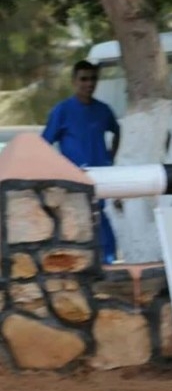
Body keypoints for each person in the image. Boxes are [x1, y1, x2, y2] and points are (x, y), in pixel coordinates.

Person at [43, 60, 121, 263]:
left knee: (100, 221)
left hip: (101, 179)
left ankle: (108, 262)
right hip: (74, 181)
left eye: (93, 79)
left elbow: (117, 131)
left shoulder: (103, 110)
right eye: (83, 79)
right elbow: (45, 143)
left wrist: (110, 158)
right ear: (73, 81)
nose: (89, 83)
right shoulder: (62, 111)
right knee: (75, 223)